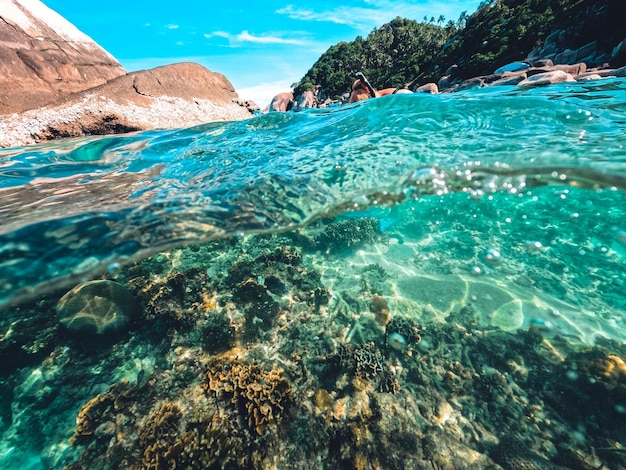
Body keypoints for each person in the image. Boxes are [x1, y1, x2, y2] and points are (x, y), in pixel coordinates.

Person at [349, 72, 413, 103]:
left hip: (399, 94)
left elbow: (374, 95)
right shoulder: (372, 93)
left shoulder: (374, 95)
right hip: (402, 93)